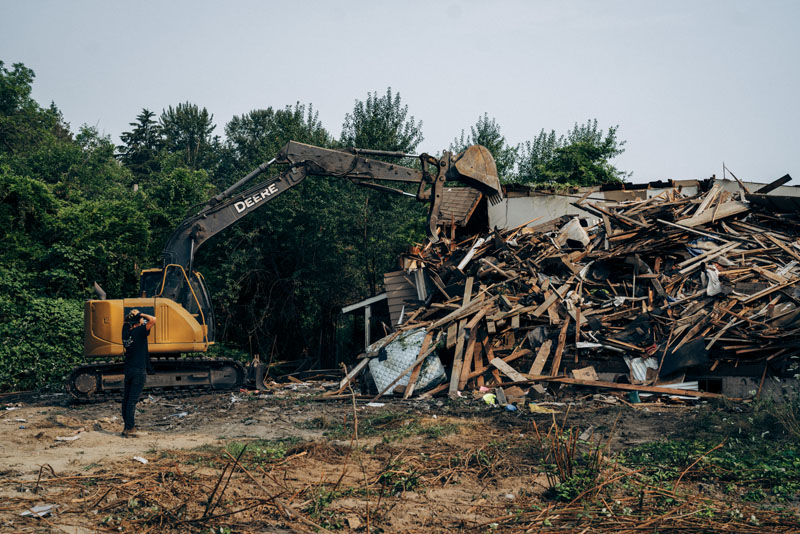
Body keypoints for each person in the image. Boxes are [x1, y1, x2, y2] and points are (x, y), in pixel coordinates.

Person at [121, 309, 156, 437]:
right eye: (141, 320)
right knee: (132, 401)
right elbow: (153, 319)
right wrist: (139, 314)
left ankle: (127, 426)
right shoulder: (139, 332)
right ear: (138, 322)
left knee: (126, 399)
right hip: (138, 370)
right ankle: (130, 428)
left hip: (129, 370)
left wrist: (132, 316)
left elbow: (126, 322)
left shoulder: (125, 333)